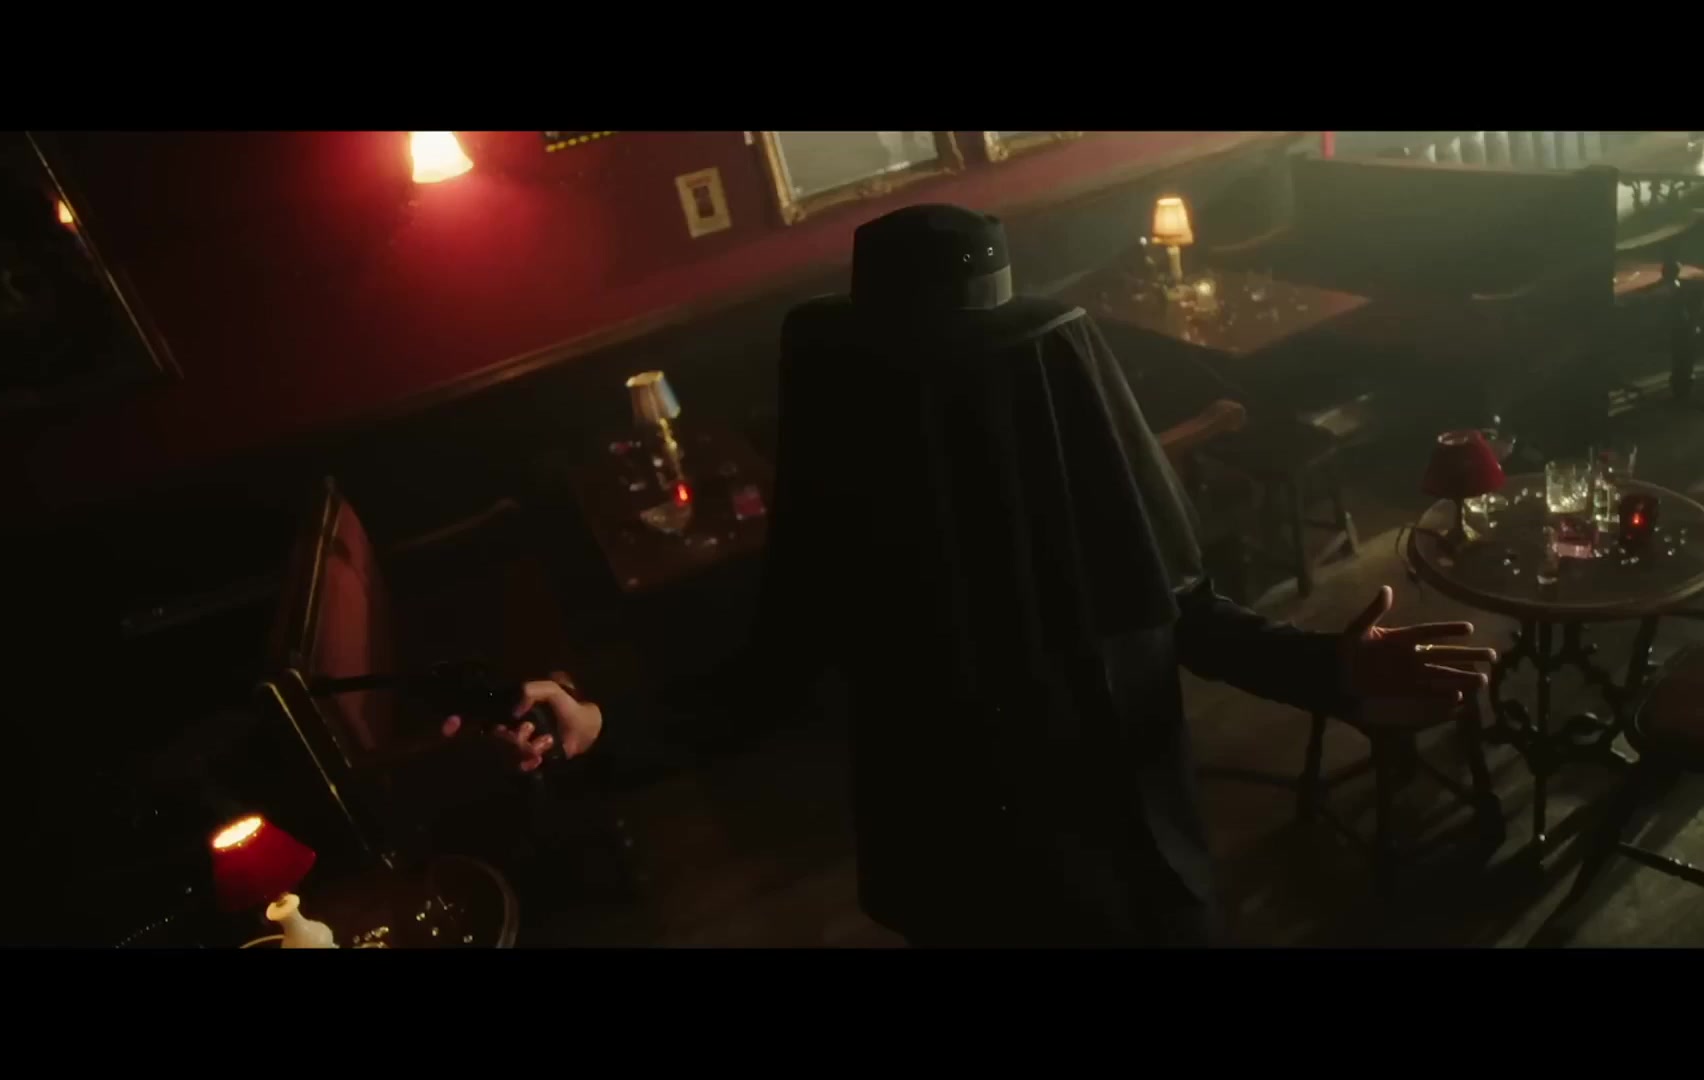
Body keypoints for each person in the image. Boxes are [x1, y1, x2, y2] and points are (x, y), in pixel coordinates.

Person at [450, 204, 1494, 947]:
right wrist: (601, 725)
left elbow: (1188, 617)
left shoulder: (1079, 496)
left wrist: (1330, 670)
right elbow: (768, 678)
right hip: (963, 898)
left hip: (1137, 883)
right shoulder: (858, 530)